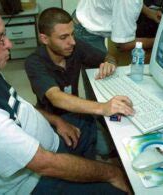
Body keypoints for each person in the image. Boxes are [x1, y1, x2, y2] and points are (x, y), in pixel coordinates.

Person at [0, 1, 131, 194]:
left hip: (49, 142)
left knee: (85, 126)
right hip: (35, 180)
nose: (9, 44)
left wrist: (57, 120)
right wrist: (111, 173)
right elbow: (46, 163)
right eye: (0, 38)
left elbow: (17, 104)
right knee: (117, 187)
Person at [24, 8, 134, 156]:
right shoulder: (34, 62)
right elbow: (56, 98)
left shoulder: (75, 47)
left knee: (110, 149)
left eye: (72, 34)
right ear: (44, 39)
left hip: (78, 112)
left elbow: (109, 57)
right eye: (63, 37)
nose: (72, 42)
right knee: (79, 158)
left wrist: (109, 63)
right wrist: (103, 108)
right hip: (52, 118)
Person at [73, 0, 162, 53]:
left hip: (84, 15)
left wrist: (150, 13)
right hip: (86, 32)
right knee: (98, 78)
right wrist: (158, 41)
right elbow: (123, 45)